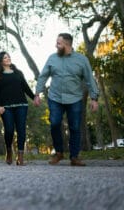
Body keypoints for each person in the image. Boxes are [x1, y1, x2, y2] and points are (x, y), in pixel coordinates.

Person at [34, 33, 99, 166]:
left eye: (59, 43)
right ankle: (59, 152)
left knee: (75, 127)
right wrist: (37, 93)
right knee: (55, 123)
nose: (56, 45)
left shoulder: (81, 60)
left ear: (67, 45)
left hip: (74, 98)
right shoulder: (52, 58)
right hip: (55, 98)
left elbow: (89, 79)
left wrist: (94, 98)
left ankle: (74, 157)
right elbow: (43, 76)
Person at [0, 51, 35, 166]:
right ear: (0, 61)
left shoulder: (18, 73)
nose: (8, 59)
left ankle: (20, 156)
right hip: (6, 107)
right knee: (9, 130)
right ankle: (9, 150)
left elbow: (26, 87)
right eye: (5, 57)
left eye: (8, 57)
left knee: (21, 129)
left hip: (21, 105)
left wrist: (34, 97)